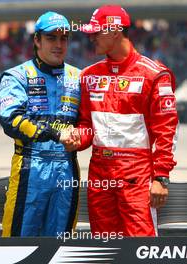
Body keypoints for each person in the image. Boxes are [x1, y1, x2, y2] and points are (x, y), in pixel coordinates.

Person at [63, 5, 178, 236]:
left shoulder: (154, 74)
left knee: (140, 248)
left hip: (137, 178)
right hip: (99, 177)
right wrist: (76, 138)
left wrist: (161, 177)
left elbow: (166, 131)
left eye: (96, 32)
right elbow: (87, 126)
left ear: (115, 32)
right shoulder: (88, 76)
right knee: (103, 249)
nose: (91, 37)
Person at [0, 11, 81, 237]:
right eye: (51, 38)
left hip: (67, 170)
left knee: (62, 246)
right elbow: (11, 120)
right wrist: (55, 134)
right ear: (37, 40)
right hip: (30, 168)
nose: (59, 44)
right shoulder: (16, 76)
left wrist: (81, 135)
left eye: (64, 38)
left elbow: (88, 122)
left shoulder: (79, 77)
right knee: (18, 245)